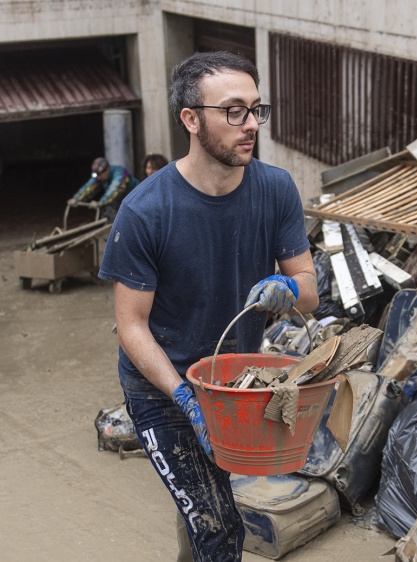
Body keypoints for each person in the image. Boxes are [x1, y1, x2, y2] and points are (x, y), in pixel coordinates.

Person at [99, 51, 318, 561]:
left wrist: (287, 292)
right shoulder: (146, 211)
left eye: (257, 110)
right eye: (234, 111)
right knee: (221, 531)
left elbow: (308, 286)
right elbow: (130, 328)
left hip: (231, 383)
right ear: (191, 119)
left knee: (204, 511)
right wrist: (185, 398)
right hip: (164, 387)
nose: (250, 126)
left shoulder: (276, 189)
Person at [68, 156, 138, 215]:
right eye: (97, 175)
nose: (98, 177)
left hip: (134, 198)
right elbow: (89, 186)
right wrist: (76, 198)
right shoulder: (100, 176)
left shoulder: (119, 172)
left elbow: (114, 189)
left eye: (100, 174)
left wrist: (101, 202)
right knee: (108, 211)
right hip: (118, 199)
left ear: (107, 169)